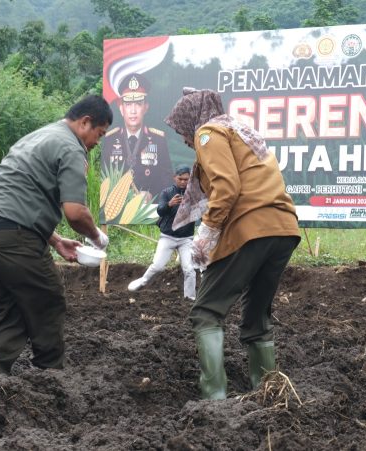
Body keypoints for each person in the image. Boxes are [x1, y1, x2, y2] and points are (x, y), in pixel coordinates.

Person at [164, 88, 300, 400]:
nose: (185, 139)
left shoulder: (209, 132)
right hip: (283, 228)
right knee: (256, 319)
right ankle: (268, 395)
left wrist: (206, 236)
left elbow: (226, 187)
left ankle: (215, 402)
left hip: (250, 227)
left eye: (182, 130)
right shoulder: (240, 130)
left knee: (206, 312)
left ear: (192, 122)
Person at [0, 95, 112, 374]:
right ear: (85, 122)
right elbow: (75, 212)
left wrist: (54, 240)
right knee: (48, 300)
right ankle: (51, 374)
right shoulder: (71, 147)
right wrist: (97, 237)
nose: (96, 143)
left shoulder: (37, 136)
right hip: (12, 241)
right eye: (99, 134)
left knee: (12, 311)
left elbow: (17, 198)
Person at [128, 165, 197, 301]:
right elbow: (160, 211)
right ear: (174, 178)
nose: (183, 182)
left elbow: (201, 209)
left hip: (186, 238)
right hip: (168, 237)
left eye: (186, 179)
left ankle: (190, 298)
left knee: (189, 269)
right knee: (157, 266)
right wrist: (170, 204)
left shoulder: (193, 194)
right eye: (180, 179)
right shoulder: (167, 192)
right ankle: (143, 281)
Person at [103, 72, 172, 199]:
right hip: (117, 212)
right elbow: (103, 179)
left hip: (148, 212)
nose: (133, 110)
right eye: (128, 104)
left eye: (138, 104)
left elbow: (167, 180)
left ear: (145, 107)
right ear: (121, 108)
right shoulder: (110, 140)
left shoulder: (158, 140)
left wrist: (152, 195)